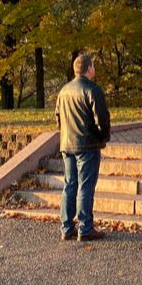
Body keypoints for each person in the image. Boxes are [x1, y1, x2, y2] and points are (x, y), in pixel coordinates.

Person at [55, 53, 111, 242]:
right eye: (93, 65)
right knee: (85, 186)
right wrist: (103, 136)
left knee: (70, 184)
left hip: (67, 143)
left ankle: (66, 227)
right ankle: (85, 227)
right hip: (87, 144)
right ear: (88, 68)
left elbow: (58, 117)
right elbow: (102, 118)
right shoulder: (93, 90)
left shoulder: (63, 91)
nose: (94, 68)